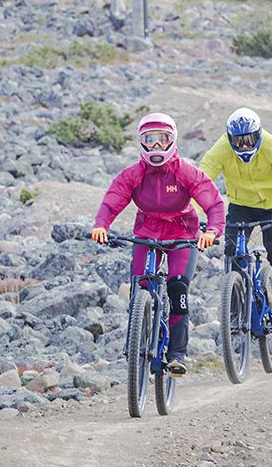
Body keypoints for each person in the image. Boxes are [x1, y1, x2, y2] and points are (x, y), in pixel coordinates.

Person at [91, 112, 226, 376]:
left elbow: (213, 203)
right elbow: (113, 199)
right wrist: (101, 225)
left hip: (182, 235)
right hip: (146, 233)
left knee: (177, 287)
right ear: (140, 142)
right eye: (149, 140)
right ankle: (136, 344)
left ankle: (177, 355)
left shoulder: (186, 172)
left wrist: (212, 230)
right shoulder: (133, 174)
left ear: (172, 141)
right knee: (140, 285)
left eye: (161, 140)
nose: (155, 146)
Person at [198, 107, 272, 332]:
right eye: (238, 141)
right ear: (229, 138)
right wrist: (194, 211)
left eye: (249, 139)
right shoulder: (222, 149)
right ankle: (235, 310)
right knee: (232, 252)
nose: (244, 145)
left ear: (258, 135)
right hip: (241, 206)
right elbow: (202, 180)